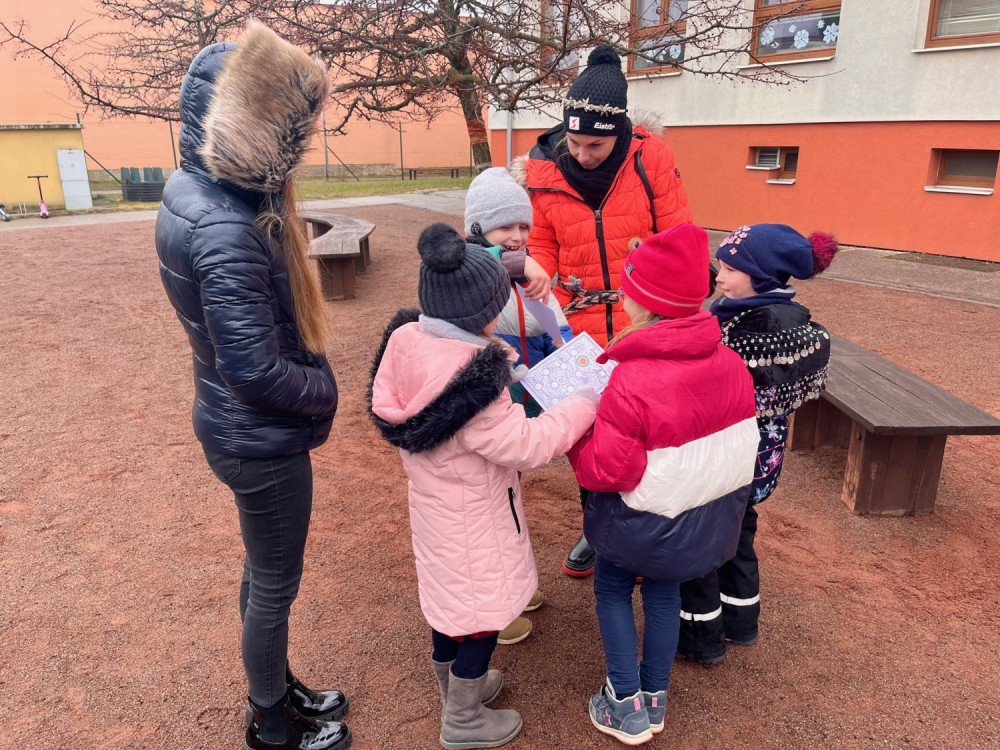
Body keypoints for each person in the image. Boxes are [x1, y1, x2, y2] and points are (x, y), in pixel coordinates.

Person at [154, 22, 350, 750]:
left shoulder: (193, 193)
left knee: (262, 573)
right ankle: (271, 725)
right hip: (259, 439)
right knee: (273, 584)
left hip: (233, 425)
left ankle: (276, 688)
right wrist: (324, 391)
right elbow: (255, 369)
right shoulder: (227, 226)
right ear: (249, 131)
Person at [368, 222, 599, 750]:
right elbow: (530, 445)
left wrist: (505, 365)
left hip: (437, 511)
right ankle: (464, 720)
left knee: (451, 605)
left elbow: (455, 359)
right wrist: (582, 401)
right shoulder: (473, 389)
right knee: (481, 616)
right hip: (477, 518)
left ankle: (454, 690)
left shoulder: (410, 341)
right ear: (485, 313)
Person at [566, 222, 759, 745]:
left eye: (627, 289)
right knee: (663, 591)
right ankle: (654, 696)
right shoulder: (730, 362)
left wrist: (575, 437)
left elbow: (609, 471)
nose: (621, 297)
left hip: (641, 521)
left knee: (611, 587)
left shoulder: (633, 377)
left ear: (645, 302)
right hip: (700, 515)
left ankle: (623, 702)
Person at [516, 43, 695, 578]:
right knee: (589, 435)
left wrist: (669, 306)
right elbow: (543, 243)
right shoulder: (543, 169)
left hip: (644, 319)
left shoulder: (650, 158)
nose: (583, 154)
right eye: (574, 142)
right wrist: (536, 267)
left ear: (619, 133)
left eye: (594, 144)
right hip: (578, 327)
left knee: (648, 430)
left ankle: (643, 530)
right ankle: (596, 528)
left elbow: (678, 236)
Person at [677, 224, 839, 666]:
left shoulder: (750, 330)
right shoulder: (788, 320)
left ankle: (701, 638)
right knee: (740, 536)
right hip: (760, 461)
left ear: (763, 277)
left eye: (731, 269)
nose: (720, 277)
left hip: (723, 462)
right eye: (720, 266)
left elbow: (714, 395)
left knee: (701, 546)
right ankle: (741, 622)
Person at [463, 166, 575, 646]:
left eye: (524, 226)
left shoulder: (528, 274)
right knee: (485, 511)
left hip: (519, 411)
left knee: (507, 502)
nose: (517, 236)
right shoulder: (471, 273)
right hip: (486, 414)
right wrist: (517, 263)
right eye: (504, 226)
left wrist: (568, 352)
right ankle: (492, 610)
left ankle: (511, 589)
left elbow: (555, 328)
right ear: (477, 227)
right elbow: (468, 261)